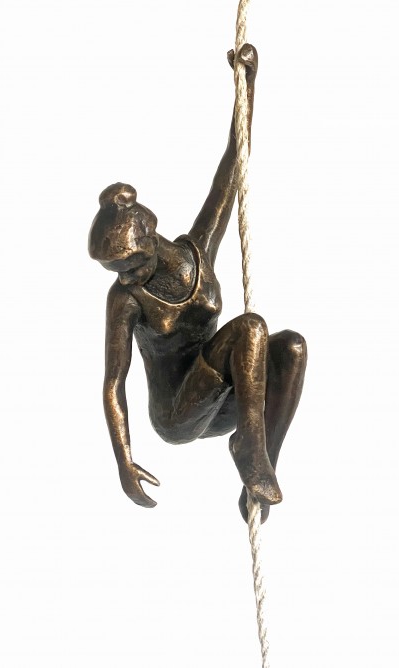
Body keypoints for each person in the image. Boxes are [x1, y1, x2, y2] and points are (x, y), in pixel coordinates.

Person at [88, 44, 307, 522]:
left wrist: (247, 85)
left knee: (290, 348)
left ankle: (259, 463)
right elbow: (113, 383)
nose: (126, 278)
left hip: (228, 400)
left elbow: (232, 165)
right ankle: (250, 450)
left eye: (131, 265)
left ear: (151, 238)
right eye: (117, 272)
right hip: (178, 415)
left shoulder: (196, 253)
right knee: (250, 327)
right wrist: (123, 460)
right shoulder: (126, 300)